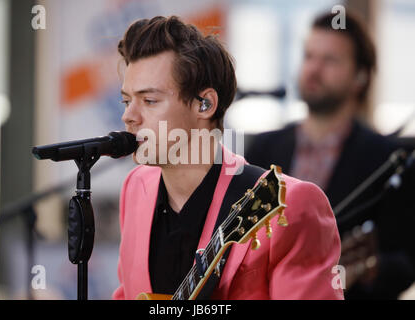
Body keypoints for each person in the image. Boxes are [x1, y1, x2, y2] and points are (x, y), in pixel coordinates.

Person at [112, 15, 343, 300]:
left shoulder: (291, 204)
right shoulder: (136, 188)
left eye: (149, 101)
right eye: (126, 101)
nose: (128, 117)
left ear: (205, 104)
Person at [246, 11, 415, 299]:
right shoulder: (262, 148)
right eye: (309, 56)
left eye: (330, 60)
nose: (313, 69)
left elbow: (405, 262)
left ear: (360, 76)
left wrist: (365, 270)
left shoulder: (387, 160)